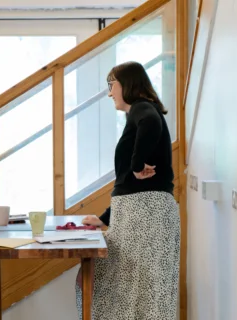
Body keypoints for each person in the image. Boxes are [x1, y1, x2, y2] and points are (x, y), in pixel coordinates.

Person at [76, 61, 180, 320]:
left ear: (128, 84)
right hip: (141, 213)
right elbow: (129, 186)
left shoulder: (142, 108)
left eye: (112, 85)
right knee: (130, 288)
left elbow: (151, 123)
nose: (110, 93)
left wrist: (135, 164)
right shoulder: (138, 112)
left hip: (147, 216)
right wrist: (104, 218)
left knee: (137, 290)